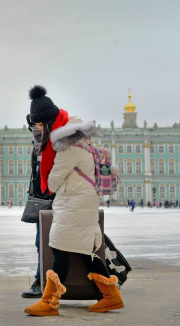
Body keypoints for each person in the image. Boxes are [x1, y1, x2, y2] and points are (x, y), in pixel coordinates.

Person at [24, 89, 124, 316]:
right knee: (83, 251)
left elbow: (52, 182)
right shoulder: (79, 138)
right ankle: (111, 296)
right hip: (81, 200)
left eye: (40, 125)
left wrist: (44, 159)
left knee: (60, 247)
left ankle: (49, 302)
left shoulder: (66, 146)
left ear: (48, 122)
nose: (38, 130)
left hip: (74, 203)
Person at [21, 85, 60, 299]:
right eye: (33, 124)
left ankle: (45, 282)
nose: (36, 127)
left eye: (39, 123)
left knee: (53, 242)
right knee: (41, 241)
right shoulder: (39, 140)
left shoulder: (61, 141)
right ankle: (41, 280)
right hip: (43, 199)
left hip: (59, 200)